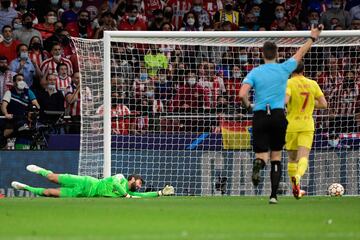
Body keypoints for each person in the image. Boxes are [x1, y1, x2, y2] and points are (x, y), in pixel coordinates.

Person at [238, 25, 323, 204]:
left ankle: (259, 164)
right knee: (276, 156)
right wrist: (313, 37)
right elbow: (300, 53)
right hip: (278, 116)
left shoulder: (255, 72)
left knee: (262, 155)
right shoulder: (284, 68)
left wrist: (248, 106)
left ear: (262, 54)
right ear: (277, 54)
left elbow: (241, 94)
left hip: (260, 114)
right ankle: (273, 196)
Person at [285, 61, 327, 199]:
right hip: (307, 125)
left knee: (292, 158)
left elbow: (285, 101)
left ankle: (295, 188)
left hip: (291, 125)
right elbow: (324, 104)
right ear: (304, 70)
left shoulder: (289, 83)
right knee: (303, 156)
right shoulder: (313, 83)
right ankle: (298, 176)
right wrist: (310, 103)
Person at [11, 164, 175, 198]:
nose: (140, 186)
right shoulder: (120, 178)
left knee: (48, 193)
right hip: (86, 182)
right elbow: (118, 185)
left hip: (82, 193)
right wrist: (126, 195)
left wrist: (159, 192)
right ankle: (40, 170)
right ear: (132, 178)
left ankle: (25, 187)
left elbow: (144, 197)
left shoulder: (130, 193)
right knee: (52, 177)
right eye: (139, 182)